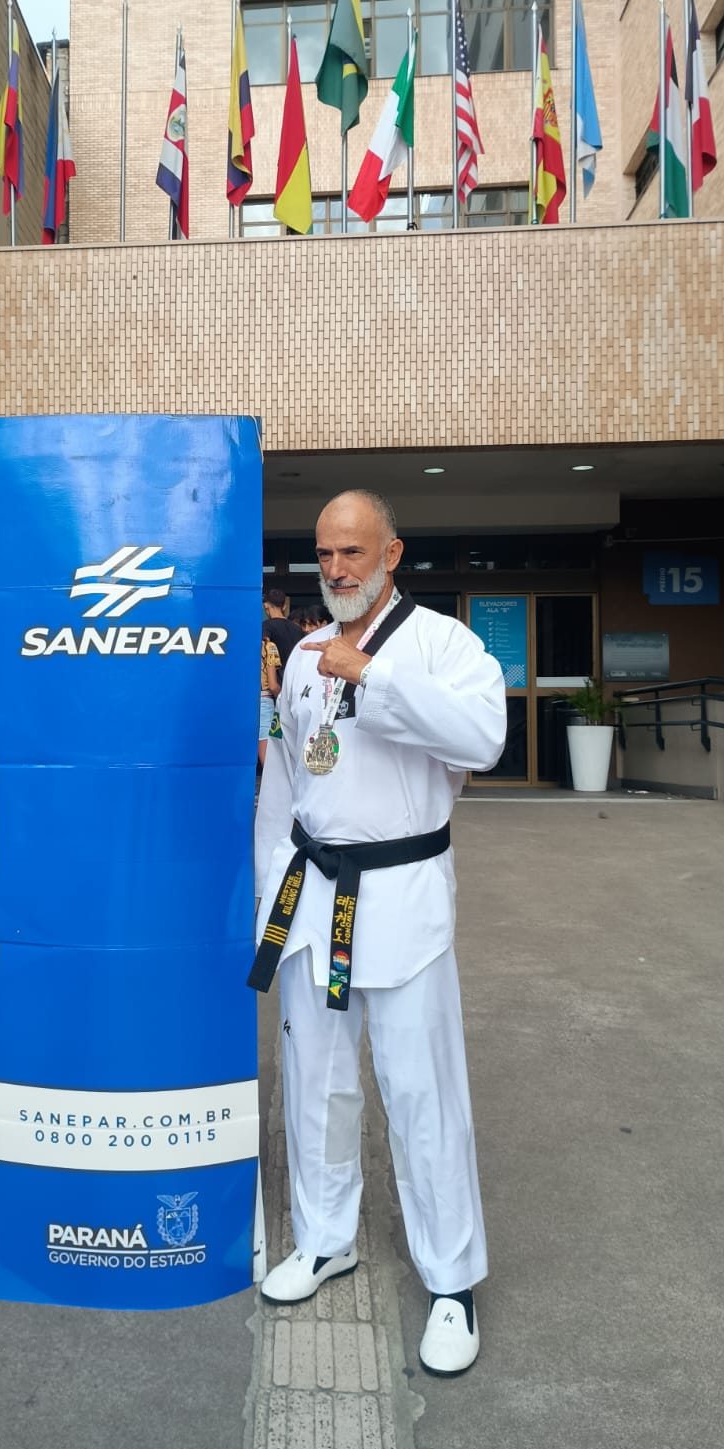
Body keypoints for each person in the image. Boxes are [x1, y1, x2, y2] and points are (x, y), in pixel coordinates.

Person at [250, 490, 506, 1376]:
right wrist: (269, 897)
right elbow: (285, 777)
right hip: (315, 894)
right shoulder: (307, 652)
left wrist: (378, 679)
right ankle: (326, 1239)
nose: (336, 570)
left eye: (353, 552)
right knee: (315, 1086)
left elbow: (484, 737)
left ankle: (451, 1280)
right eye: (324, 555)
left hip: (402, 896)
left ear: (392, 552)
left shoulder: (444, 645)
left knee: (422, 1095)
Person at [263, 587, 303, 670]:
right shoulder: (298, 629)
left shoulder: (266, 626)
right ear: (284, 606)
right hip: (293, 676)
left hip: (274, 678)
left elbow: (264, 649)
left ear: (266, 606)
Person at [259, 623, 282, 770]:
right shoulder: (269, 647)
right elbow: (273, 685)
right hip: (264, 700)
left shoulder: (234, 644)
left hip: (238, 702)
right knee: (269, 759)